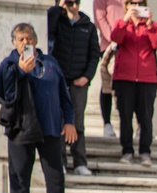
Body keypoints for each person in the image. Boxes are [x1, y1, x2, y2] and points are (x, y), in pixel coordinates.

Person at [0, 23, 80, 193]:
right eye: (21, 39)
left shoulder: (50, 63)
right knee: (20, 174)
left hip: (50, 127)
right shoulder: (10, 63)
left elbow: (64, 96)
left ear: (36, 40)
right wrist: (20, 71)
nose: (25, 43)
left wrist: (69, 121)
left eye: (29, 38)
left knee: (55, 175)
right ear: (14, 43)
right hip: (21, 128)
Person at [47, 0, 100, 177]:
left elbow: (94, 55)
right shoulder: (57, 22)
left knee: (77, 122)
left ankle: (80, 162)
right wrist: (58, 9)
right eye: (70, 2)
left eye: (77, 2)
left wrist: (87, 76)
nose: (74, 6)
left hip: (79, 81)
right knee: (59, 120)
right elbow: (47, 31)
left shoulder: (88, 27)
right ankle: (60, 161)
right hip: (59, 80)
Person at [111, 0, 157, 167]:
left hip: (147, 78)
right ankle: (127, 150)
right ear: (126, 5)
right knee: (125, 116)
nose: (136, 5)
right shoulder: (121, 24)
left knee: (146, 117)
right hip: (124, 78)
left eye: (140, 2)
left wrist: (149, 26)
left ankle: (145, 152)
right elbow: (115, 38)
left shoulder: (151, 25)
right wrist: (125, 20)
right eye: (132, 3)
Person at [93, 0, 124, 138]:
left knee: (125, 87)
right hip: (109, 47)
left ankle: (130, 124)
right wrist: (113, 38)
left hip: (129, 46)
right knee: (107, 85)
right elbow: (100, 18)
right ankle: (107, 123)